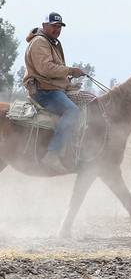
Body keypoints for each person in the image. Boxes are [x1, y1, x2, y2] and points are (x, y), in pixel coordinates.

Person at [22, 12, 86, 172]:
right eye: (54, 26)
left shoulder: (51, 42)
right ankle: (53, 154)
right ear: (44, 26)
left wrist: (68, 82)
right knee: (72, 111)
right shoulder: (40, 43)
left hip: (52, 88)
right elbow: (46, 68)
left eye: (59, 26)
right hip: (44, 90)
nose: (57, 29)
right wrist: (71, 70)